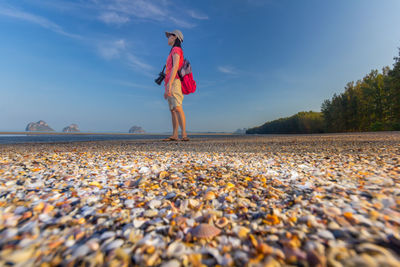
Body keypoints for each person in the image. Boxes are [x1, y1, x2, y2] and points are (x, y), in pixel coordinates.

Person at [163, 30, 189, 141]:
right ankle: (175, 135)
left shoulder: (176, 49)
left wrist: (169, 84)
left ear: (174, 37)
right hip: (169, 82)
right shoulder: (172, 50)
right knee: (173, 109)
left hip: (174, 82)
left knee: (178, 107)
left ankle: (184, 134)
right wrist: (166, 86)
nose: (168, 38)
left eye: (169, 36)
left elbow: (175, 67)